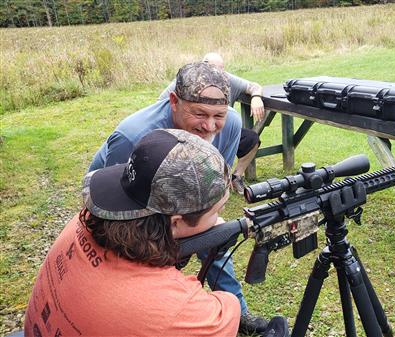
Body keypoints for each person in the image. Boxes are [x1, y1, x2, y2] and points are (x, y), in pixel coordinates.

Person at [24, 129, 288, 336]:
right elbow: (225, 308)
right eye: (215, 212)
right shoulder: (180, 310)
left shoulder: (81, 222)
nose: (220, 219)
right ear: (175, 223)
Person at [88, 62, 268, 334]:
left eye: (218, 115)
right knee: (140, 258)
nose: (209, 126)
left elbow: (214, 184)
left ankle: (239, 312)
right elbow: (117, 209)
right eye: (199, 113)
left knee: (216, 238)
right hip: (130, 203)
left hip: (183, 193)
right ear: (174, 102)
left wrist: (204, 224)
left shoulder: (230, 124)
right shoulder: (133, 135)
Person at [158, 52, 265, 194]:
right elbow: (161, 105)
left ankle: (235, 177)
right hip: (193, 133)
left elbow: (253, 86)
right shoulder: (186, 82)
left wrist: (256, 97)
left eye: (221, 71)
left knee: (252, 139)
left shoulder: (226, 79)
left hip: (221, 130)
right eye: (213, 70)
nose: (216, 76)